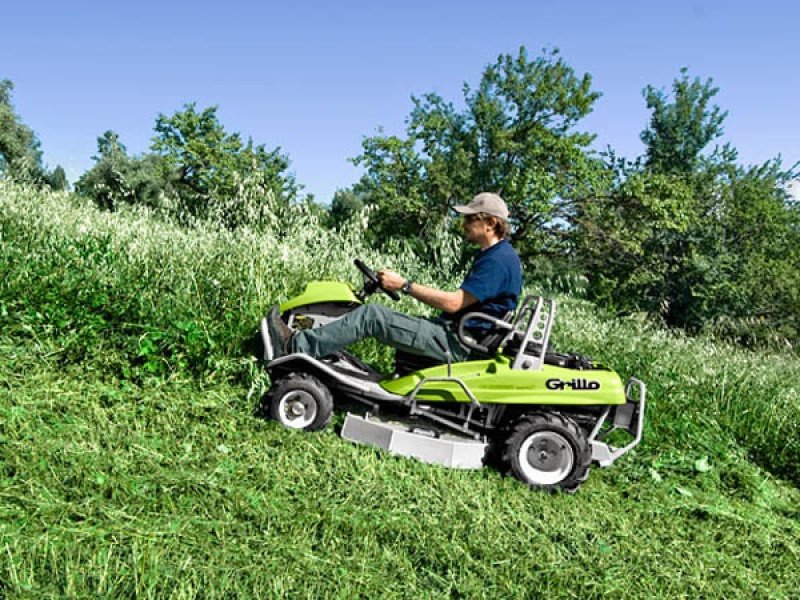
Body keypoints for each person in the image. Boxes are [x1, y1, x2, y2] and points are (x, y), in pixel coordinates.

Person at [266, 192, 522, 363]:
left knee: (371, 316)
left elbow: (454, 303)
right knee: (381, 316)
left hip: (457, 344)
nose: (463, 223)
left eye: (469, 218)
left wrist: (405, 285)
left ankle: (293, 346)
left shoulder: (498, 261)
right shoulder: (497, 256)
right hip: (456, 334)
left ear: (489, 223)